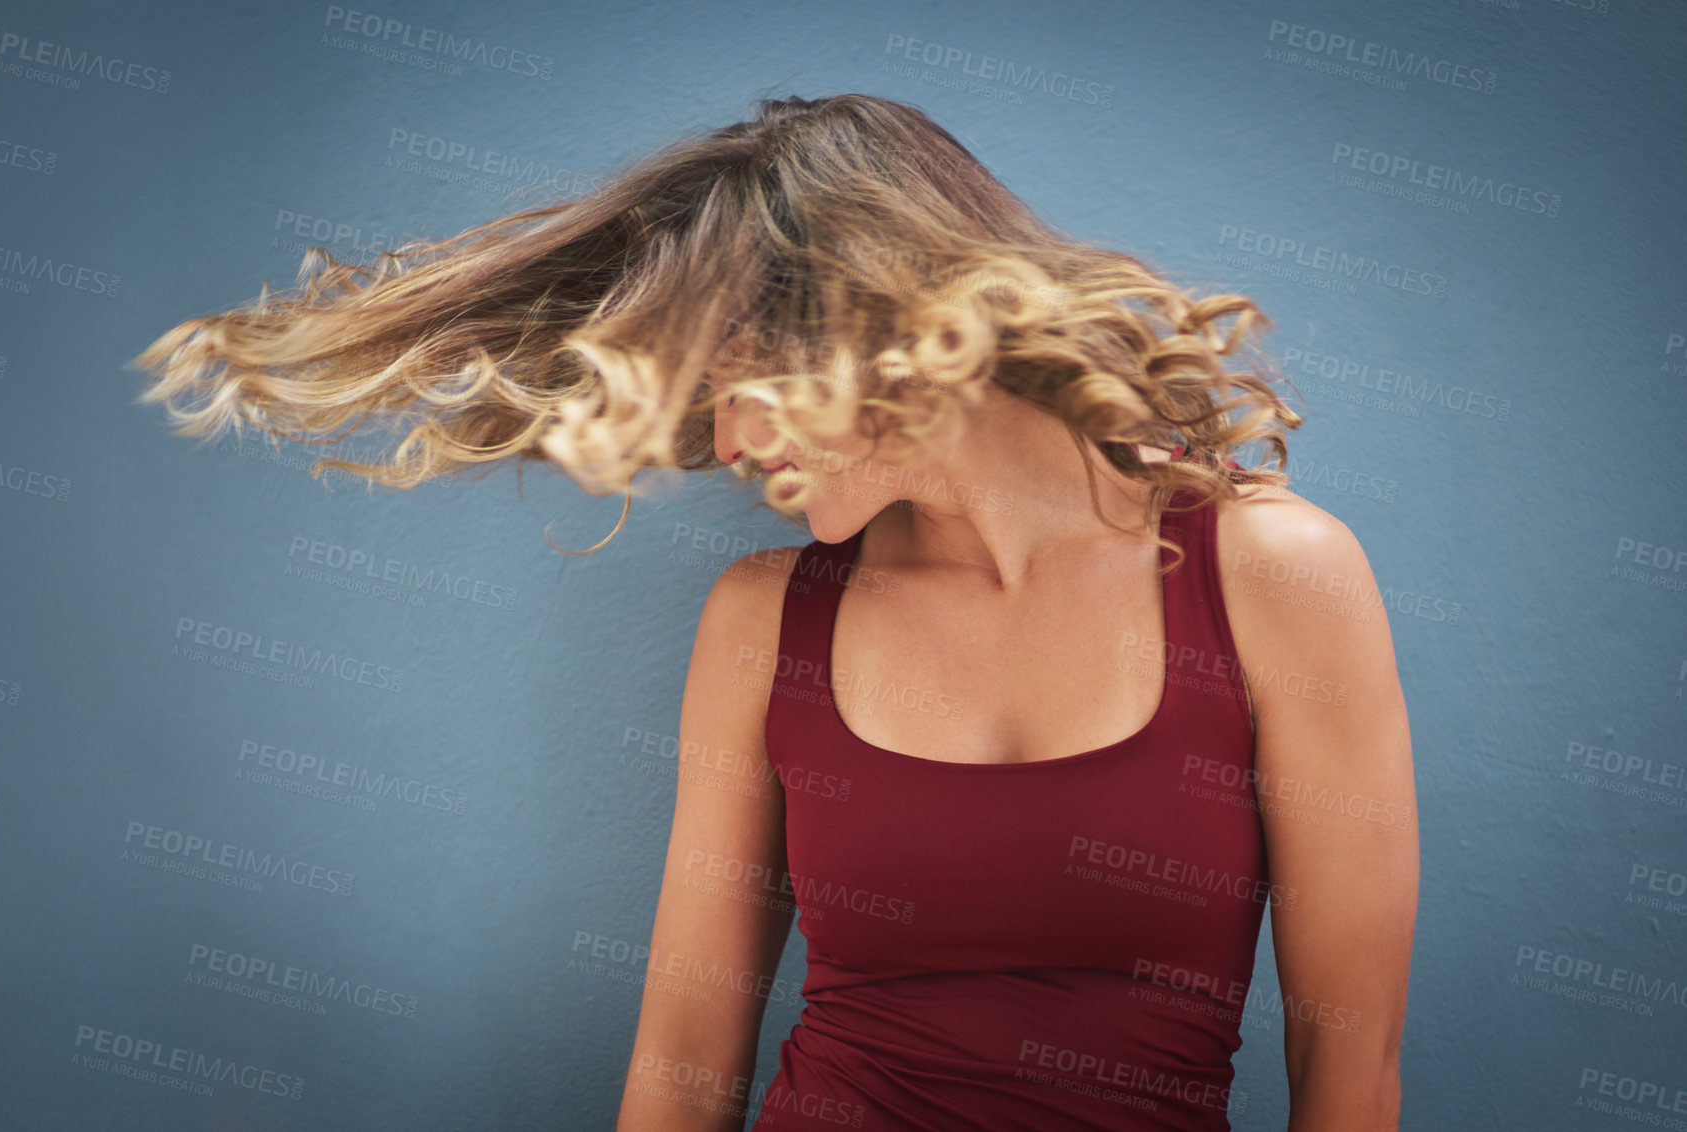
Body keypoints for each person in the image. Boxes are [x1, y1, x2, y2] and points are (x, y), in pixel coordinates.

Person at [130, 92, 1418, 1131]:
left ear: (884, 321)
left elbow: (1348, 1077)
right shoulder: (765, 624)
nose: (724, 441)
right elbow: (687, 1059)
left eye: (740, 383)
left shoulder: (1272, 576)